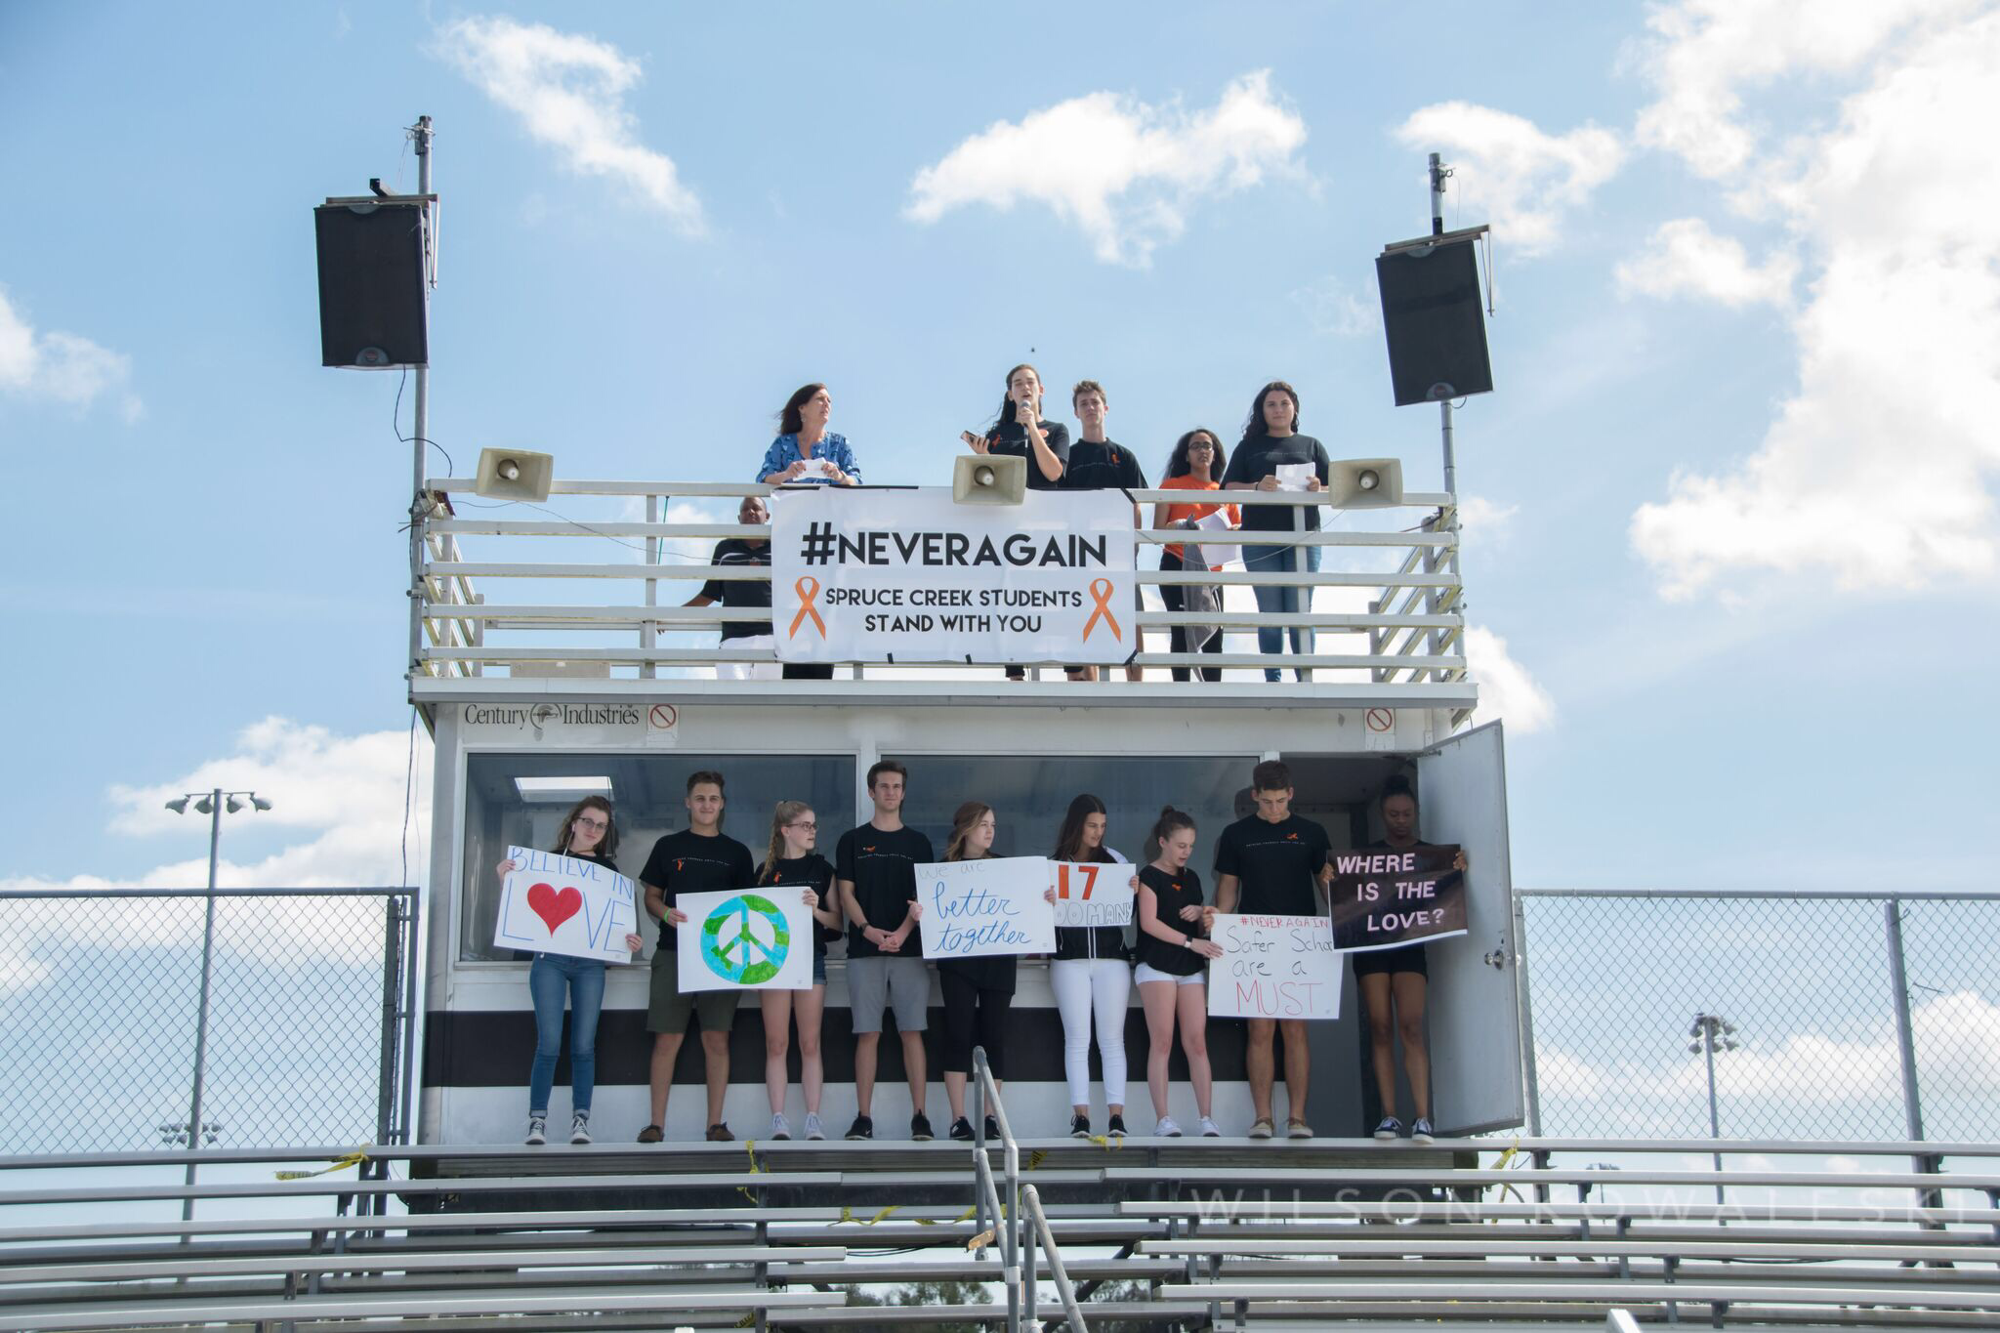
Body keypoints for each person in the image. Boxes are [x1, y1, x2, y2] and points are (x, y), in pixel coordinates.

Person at [496, 796, 643, 1146]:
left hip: (591, 965)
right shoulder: (543, 864)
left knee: (583, 1045)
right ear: (574, 822)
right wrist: (506, 881)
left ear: (606, 833)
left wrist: (629, 941)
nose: (593, 830)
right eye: (588, 822)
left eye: (601, 826)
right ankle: (537, 1121)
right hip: (549, 959)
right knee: (548, 1043)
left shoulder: (610, 874)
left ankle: (581, 1120)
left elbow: (616, 925)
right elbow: (520, 909)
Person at [1213, 760, 1332, 1139]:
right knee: (1259, 1030)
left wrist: (1335, 885)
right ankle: (1262, 1117)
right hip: (1255, 939)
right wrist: (1221, 924)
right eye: (1267, 802)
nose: (1275, 809)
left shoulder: (1313, 832)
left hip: (1300, 939)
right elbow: (1228, 890)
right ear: (1254, 797)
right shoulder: (1236, 834)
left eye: (1281, 801)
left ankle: (1298, 1118)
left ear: (1291, 795)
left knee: (1296, 1029)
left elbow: (1327, 890)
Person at [637, 771, 756, 1144]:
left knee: (716, 1039)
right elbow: (651, 896)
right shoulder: (667, 846)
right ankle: (656, 1124)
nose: (707, 805)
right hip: (672, 952)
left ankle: (715, 1124)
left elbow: (747, 909)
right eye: (700, 798)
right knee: (666, 1040)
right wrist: (664, 912)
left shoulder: (737, 853)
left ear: (722, 805)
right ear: (688, 803)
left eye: (714, 799)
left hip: (721, 960)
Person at [936, 801, 1055, 1141]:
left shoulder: (1007, 868)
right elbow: (932, 914)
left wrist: (1045, 898)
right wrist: (920, 912)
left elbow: (1029, 909)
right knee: (958, 1035)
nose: (990, 831)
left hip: (998, 960)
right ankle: (958, 1117)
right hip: (957, 962)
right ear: (965, 829)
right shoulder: (943, 869)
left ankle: (991, 1116)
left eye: (993, 825)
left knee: (995, 1037)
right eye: (984, 824)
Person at [1359, 775, 1467, 1146]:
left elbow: (1447, 894)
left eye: (1406, 813)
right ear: (1382, 814)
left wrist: (1456, 870)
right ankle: (1389, 1116)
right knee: (1380, 1027)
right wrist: (1329, 878)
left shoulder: (1431, 856)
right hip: (1372, 947)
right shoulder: (1366, 856)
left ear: (1416, 813)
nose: (1401, 820)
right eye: (1393, 814)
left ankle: (1423, 1118)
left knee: (1411, 1026)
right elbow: (1342, 897)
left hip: (1409, 948)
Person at [836, 760, 936, 1140]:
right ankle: (864, 1117)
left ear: (903, 793)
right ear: (871, 792)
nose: (890, 792)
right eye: (884, 786)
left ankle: (920, 1116)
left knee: (913, 1031)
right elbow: (846, 893)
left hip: (909, 950)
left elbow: (923, 897)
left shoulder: (918, 843)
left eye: (896, 786)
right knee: (868, 1033)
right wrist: (868, 930)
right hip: (864, 950)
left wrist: (901, 931)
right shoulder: (852, 840)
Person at [962, 364, 1069, 682]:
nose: (1025, 388)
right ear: (1010, 393)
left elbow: (1054, 472)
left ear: (1041, 390)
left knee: (1054, 601)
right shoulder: (998, 434)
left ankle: (1070, 672)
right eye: (1018, 384)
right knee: (1011, 602)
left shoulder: (1058, 429)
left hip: (1048, 532)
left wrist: (1033, 428)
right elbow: (987, 486)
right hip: (1008, 533)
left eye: (1031, 382)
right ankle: (1015, 675)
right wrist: (982, 459)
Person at [1221, 381, 1332, 682]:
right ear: (1262, 410)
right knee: (1270, 610)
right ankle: (1273, 679)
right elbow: (1227, 488)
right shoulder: (1249, 447)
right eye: (1271, 404)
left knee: (1300, 609)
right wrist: (1257, 486)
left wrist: (1317, 488)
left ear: (1294, 407)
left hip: (1304, 537)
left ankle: (1304, 677)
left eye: (1284, 403)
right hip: (1260, 538)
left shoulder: (1311, 445)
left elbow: (1335, 488)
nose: (1278, 409)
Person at [1134, 806, 1224, 1138]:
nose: (1186, 852)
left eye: (1190, 846)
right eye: (1180, 845)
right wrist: (1190, 943)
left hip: (1189, 968)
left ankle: (1206, 1118)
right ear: (1163, 842)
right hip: (1157, 964)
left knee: (1197, 1042)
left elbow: (1203, 923)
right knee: (1162, 1040)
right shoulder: (1149, 876)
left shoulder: (1194, 878)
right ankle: (1163, 1119)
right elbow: (1149, 923)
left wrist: (1205, 912)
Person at [754, 800, 841, 1141]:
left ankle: (812, 1118)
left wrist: (817, 910)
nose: (812, 832)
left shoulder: (822, 868)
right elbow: (753, 921)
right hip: (772, 964)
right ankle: (778, 1118)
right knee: (776, 1043)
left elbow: (837, 923)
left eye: (814, 825)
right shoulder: (765, 870)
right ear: (785, 830)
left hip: (810, 959)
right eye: (805, 826)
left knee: (810, 1042)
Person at [1049, 794, 1133, 1138]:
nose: (1098, 832)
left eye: (1103, 826)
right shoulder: (1054, 864)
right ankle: (1080, 1116)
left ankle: (1116, 1117)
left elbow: (1129, 912)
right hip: (1069, 960)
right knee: (1077, 1039)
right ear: (1077, 824)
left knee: (1112, 1040)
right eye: (1092, 825)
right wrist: (1046, 900)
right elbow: (1038, 916)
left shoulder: (1116, 861)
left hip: (1112, 960)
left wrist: (1134, 890)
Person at [684, 494, 831, 681]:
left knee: (768, 702)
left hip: (772, 637)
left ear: (767, 516)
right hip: (734, 638)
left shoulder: (781, 547)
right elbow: (710, 593)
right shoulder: (725, 548)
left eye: (756, 508)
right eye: (745, 510)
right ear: (739, 518)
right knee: (732, 691)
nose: (750, 512)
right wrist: (673, 614)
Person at [1059, 380, 1148, 683]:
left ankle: (1135, 691)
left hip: (1119, 553)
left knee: (1130, 618)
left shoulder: (1124, 456)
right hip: (1081, 552)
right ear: (1076, 413)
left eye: (1094, 402)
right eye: (1084, 403)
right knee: (1085, 617)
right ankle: (1090, 691)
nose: (1090, 407)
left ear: (1105, 408)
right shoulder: (1069, 457)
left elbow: (1137, 505)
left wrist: (1132, 546)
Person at [1154, 429, 1240, 683]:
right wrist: (1179, 526)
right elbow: (1158, 531)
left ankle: (1213, 693)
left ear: (1215, 454)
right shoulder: (1171, 486)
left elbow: (1237, 531)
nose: (1203, 450)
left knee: (1215, 635)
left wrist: (1235, 531)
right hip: (1177, 563)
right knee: (1181, 631)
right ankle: (1181, 688)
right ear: (1186, 454)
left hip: (1212, 571)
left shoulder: (1225, 493)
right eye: (1196, 446)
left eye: (1208, 446)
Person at [756, 383, 862, 487]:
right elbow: (763, 478)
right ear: (802, 408)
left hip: (832, 504)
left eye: (829, 401)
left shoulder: (840, 444)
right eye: (820, 399)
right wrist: (787, 474)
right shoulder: (783, 443)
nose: (827, 404)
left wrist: (839, 476)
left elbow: (856, 481)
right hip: (793, 504)